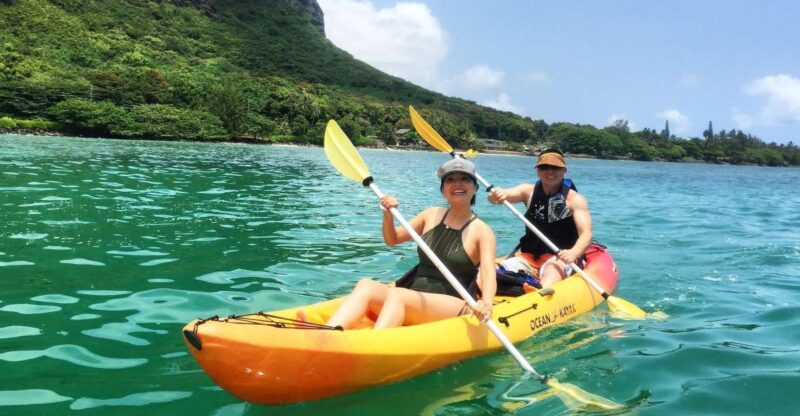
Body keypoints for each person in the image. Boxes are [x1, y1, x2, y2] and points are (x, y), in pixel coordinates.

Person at [323, 158, 497, 330]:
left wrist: (487, 304)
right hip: (414, 298)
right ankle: (329, 334)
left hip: (453, 304)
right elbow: (393, 239)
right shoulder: (430, 214)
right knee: (366, 285)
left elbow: (489, 274)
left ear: (475, 188)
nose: (457, 184)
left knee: (399, 295)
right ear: (443, 189)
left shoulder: (482, 231)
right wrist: (388, 216)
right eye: (450, 180)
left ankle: (377, 343)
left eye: (464, 179)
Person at [488, 149, 592, 288]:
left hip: (558, 258)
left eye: (555, 168)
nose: (550, 172)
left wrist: (573, 253)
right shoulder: (527, 191)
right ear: (537, 170)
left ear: (564, 171)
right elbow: (500, 197)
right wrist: (496, 195)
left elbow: (586, 234)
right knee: (491, 271)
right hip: (528, 256)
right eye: (544, 167)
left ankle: (540, 292)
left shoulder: (575, 199)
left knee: (551, 272)